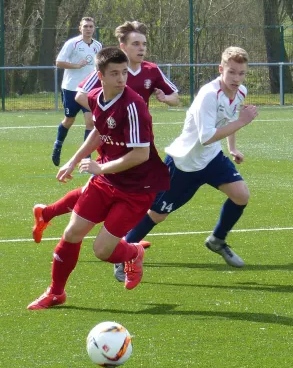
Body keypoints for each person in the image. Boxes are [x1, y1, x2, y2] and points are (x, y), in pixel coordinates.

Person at [27, 47, 170, 310]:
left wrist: (100, 168)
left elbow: (140, 154)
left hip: (137, 188)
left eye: (124, 72)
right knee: (72, 233)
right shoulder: (96, 97)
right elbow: (99, 132)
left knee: (102, 251)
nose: (121, 78)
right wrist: (73, 160)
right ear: (100, 76)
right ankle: (56, 293)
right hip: (106, 180)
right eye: (114, 73)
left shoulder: (134, 105)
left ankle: (133, 252)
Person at [113, 46, 258, 282]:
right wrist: (242, 122)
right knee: (157, 214)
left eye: (241, 73)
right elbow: (206, 136)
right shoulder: (208, 96)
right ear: (221, 69)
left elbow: (228, 121)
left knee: (241, 195)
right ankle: (123, 254)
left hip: (211, 159)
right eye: (232, 72)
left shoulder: (240, 91)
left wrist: (232, 147)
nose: (236, 78)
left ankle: (217, 240)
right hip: (184, 163)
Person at [32, 20, 179, 245]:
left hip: (137, 138)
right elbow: (81, 94)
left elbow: (176, 98)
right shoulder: (108, 69)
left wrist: (165, 98)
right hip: (112, 141)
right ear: (123, 47)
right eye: (136, 43)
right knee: (102, 190)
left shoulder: (151, 70)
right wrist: (108, 117)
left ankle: (49, 214)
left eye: (144, 44)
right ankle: (123, 248)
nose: (141, 48)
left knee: (102, 190)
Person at [52, 17, 102, 166]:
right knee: (69, 120)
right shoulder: (72, 44)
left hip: (88, 90)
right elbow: (58, 62)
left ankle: (87, 157)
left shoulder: (98, 46)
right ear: (80, 28)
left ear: (94, 28)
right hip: (71, 89)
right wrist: (76, 65)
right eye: (85, 26)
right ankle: (58, 145)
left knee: (90, 122)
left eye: (91, 26)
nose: (88, 29)